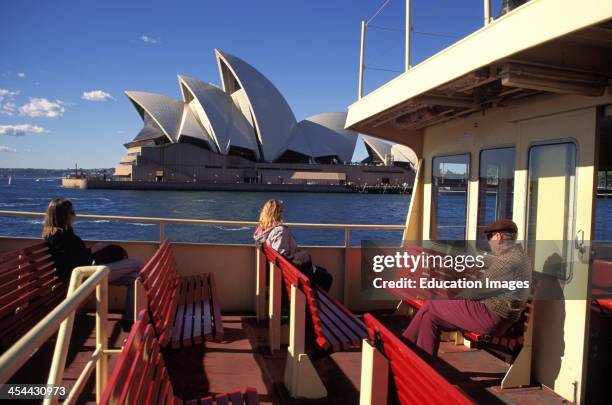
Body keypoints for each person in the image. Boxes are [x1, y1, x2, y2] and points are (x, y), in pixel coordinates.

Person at [402, 219, 531, 357]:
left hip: (491, 317)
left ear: (498, 237)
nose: (489, 242)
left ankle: (404, 345)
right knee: (430, 317)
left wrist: (453, 300)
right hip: (497, 317)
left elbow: (477, 291)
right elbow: (488, 262)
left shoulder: (508, 261)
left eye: (489, 237)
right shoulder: (518, 256)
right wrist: (469, 262)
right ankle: (424, 364)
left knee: (431, 305)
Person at [42, 198, 141, 328]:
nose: (75, 215)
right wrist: (93, 250)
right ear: (61, 215)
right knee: (136, 262)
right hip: (83, 278)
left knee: (135, 279)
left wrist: (92, 250)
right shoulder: (59, 236)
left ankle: (129, 321)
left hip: (86, 273)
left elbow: (74, 256)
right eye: (71, 212)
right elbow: (75, 262)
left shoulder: (62, 233)